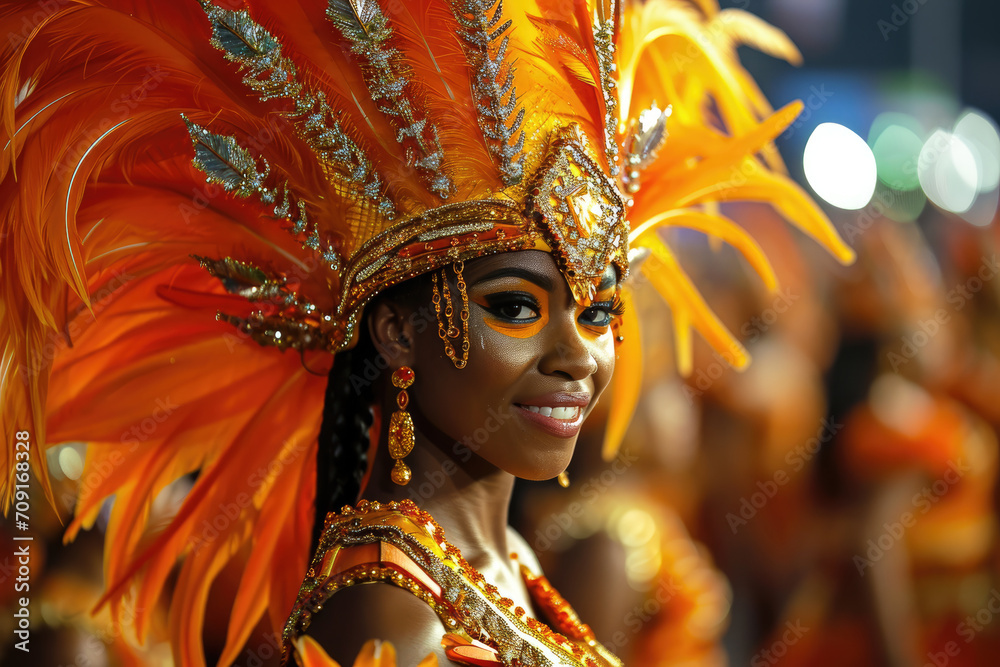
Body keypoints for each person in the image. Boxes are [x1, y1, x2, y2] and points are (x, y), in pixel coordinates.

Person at [0, 0, 853, 665]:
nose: (579, 358)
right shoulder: (388, 605)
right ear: (397, 333)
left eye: (599, 313)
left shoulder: (505, 560)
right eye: (516, 306)